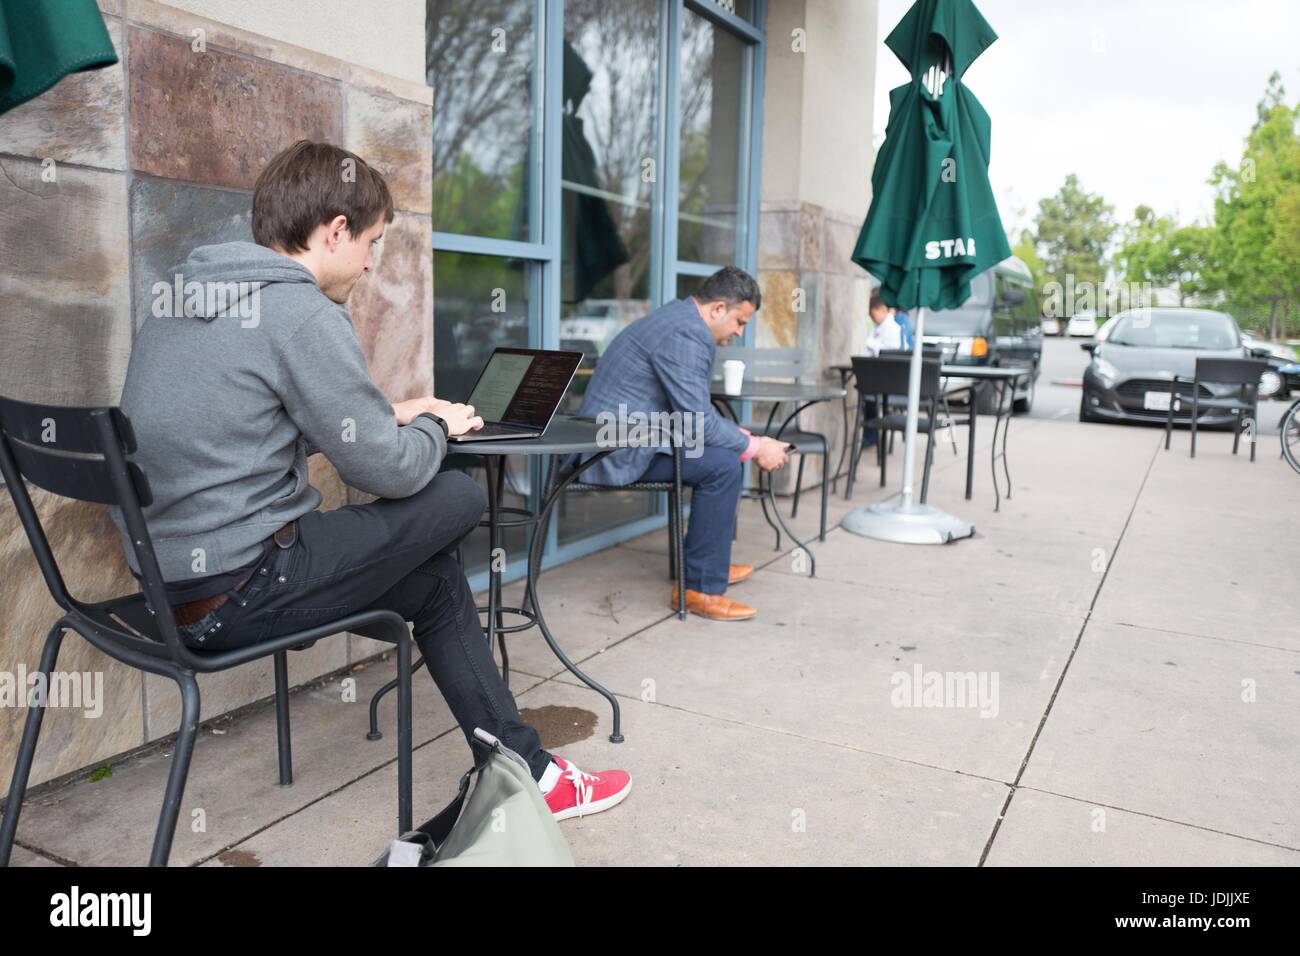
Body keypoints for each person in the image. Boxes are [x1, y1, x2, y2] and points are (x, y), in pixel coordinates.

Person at [107, 140, 630, 821]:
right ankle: (532, 775)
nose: (370, 264)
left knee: (438, 581)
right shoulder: (299, 313)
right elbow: (391, 468)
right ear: (334, 232)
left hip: (163, 593)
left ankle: (528, 772)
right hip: (239, 593)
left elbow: (234, 415)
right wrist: (437, 424)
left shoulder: (182, 301)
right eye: (371, 243)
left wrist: (389, 413)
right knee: (460, 495)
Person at [575, 266, 790, 622]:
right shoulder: (686, 333)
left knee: (724, 456)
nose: (739, 333)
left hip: (628, 437)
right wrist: (755, 447)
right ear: (718, 308)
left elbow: (695, 416)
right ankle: (700, 588)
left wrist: (749, 441)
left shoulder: (679, 319)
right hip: (611, 451)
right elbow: (697, 422)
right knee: (722, 466)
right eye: (740, 321)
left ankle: (709, 562)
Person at [859, 293, 904, 450]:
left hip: (889, 379)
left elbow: (888, 352)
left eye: (874, 314)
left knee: (868, 397)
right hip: (878, 375)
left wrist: (870, 344)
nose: (873, 318)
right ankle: (870, 435)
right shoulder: (879, 328)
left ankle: (871, 436)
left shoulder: (892, 329)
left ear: (882, 310)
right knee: (866, 396)